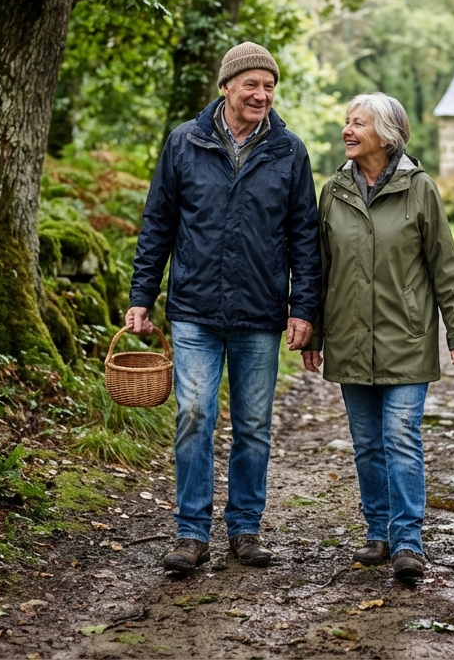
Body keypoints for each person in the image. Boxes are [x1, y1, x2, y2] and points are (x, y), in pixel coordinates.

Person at [127, 42, 321, 573]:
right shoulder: (183, 143)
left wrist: (302, 308)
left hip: (260, 312)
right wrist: (142, 296)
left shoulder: (289, 151)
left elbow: (305, 236)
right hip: (193, 308)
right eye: (252, 84)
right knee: (194, 414)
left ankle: (245, 528)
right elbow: (158, 223)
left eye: (269, 86)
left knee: (254, 423)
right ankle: (191, 533)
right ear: (227, 87)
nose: (262, 94)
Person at [302, 93, 454, 585]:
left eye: (358, 123)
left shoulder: (420, 189)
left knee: (401, 437)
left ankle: (407, 541)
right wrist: (312, 326)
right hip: (350, 338)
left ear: (386, 134)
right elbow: (319, 267)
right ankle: (377, 531)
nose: (347, 131)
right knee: (366, 444)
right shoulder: (334, 191)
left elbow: (445, 263)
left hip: (406, 337)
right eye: (346, 122)